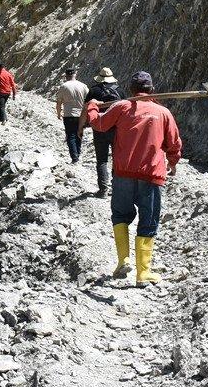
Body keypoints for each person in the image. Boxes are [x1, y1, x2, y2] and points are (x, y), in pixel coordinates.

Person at [85, 71, 182, 286]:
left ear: (130, 89)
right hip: (151, 175)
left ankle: (123, 260)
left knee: (120, 215)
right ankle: (143, 273)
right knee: (148, 221)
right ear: (152, 89)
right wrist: (173, 162)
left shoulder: (121, 107)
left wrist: (92, 106)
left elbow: (98, 124)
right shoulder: (163, 112)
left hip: (123, 174)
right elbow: (174, 143)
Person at [80, 67, 121, 198]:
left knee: (102, 160)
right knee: (117, 159)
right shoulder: (119, 91)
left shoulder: (93, 91)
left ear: (99, 78)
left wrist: (80, 127)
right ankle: (116, 188)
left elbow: (86, 109)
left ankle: (103, 190)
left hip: (99, 129)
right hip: (116, 129)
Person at [54, 68, 89, 163]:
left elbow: (59, 102)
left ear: (66, 76)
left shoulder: (64, 86)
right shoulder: (83, 86)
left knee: (70, 136)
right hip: (81, 115)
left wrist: (58, 113)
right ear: (75, 74)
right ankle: (78, 153)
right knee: (79, 134)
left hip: (69, 114)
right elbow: (89, 100)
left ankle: (74, 157)